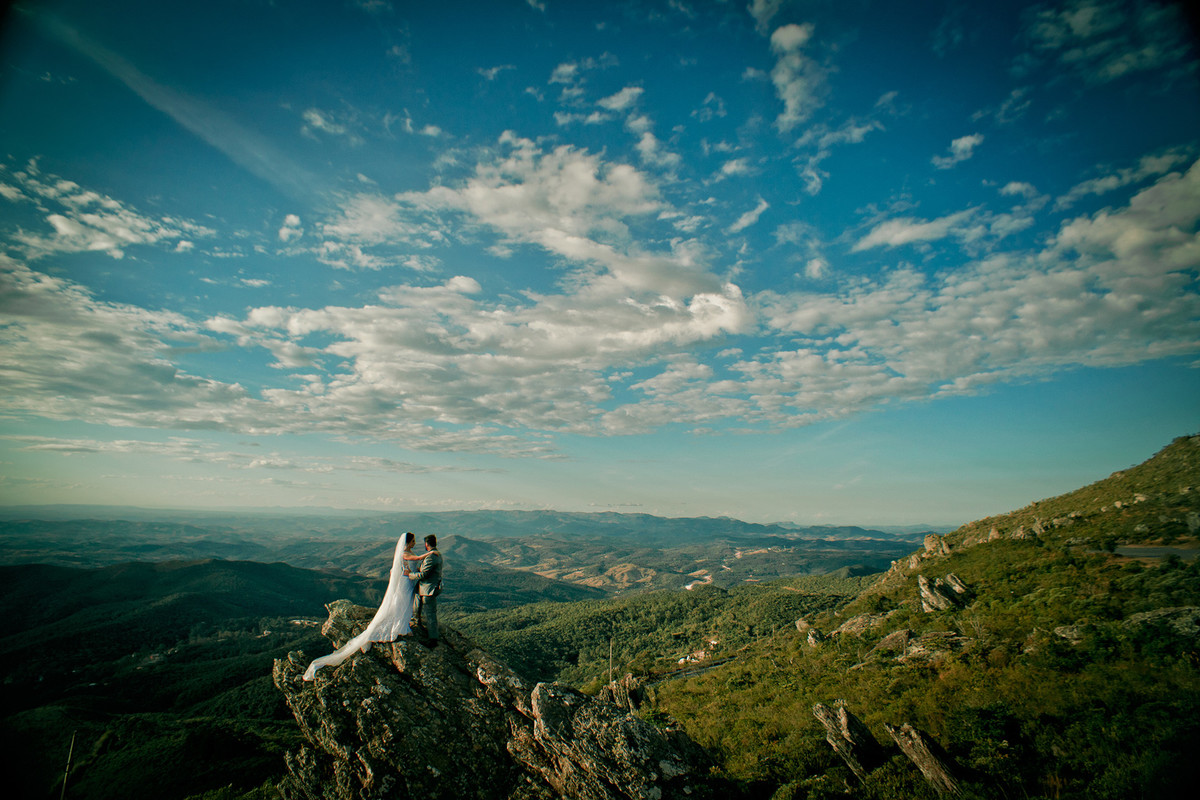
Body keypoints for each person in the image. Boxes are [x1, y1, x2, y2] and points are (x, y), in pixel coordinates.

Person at [303, 531, 427, 680]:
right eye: (413, 541)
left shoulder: (408, 552)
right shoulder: (405, 553)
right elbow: (418, 558)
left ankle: (402, 625)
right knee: (401, 603)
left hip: (408, 581)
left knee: (404, 604)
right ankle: (399, 627)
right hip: (405, 583)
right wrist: (432, 553)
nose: (415, 542)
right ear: (408, 542)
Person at [413, 534, 443, 646]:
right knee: (422, 611)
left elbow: (424, 574)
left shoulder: (431, 556)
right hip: (428, 589)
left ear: (426, 544)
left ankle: (433, 639)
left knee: (430, 614)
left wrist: (410, 574)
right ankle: (427, 633)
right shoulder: (437, 554)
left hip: (428, 590)